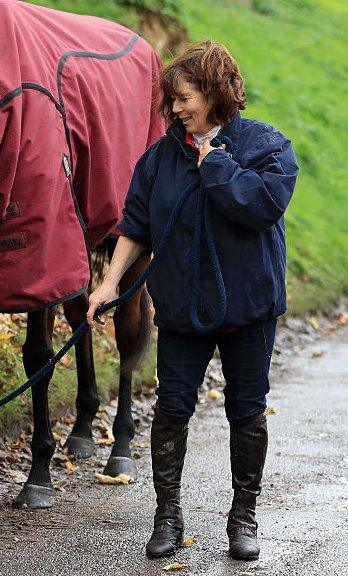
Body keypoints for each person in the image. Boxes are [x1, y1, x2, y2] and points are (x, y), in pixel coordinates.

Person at [86, 40, 298, 561]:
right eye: (172, 100)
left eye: (184, 98)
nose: (176, 109)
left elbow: (262, 206)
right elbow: (135, 224)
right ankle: (167, 515)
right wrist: (110, 282)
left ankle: (243, 515)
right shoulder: (160, 157)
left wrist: (216, 167)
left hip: (248, 308)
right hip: (183, 307)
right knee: (172, 409)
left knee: (246, 411)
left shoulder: (267, 147)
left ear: (214, 92)